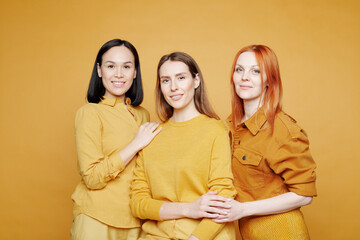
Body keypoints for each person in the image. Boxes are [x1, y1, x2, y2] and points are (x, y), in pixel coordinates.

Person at [210, 45, 317, 239]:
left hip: (282, 231)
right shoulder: (229, 127)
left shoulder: (283, 130)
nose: (244, 77)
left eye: (256, 71)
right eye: (239, 69)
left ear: (270, 80)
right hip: (249, 232)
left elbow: (304, 194)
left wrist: (242, 209)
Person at [130, 52, 237, 240]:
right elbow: (138, 203)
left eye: (181, 78)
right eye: (165, 80)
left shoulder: (216, 130)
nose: (173, 87)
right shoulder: (151, 136)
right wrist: (189, 208)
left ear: (196, 81)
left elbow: (223, 197)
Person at [70, 39, 161, 240]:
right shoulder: (89, 113)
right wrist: (136, 144)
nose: (119, 74)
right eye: (111, 66)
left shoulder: (143, 115)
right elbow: (92, 177)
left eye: (126, 66)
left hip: (137, 219)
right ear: (100, 70)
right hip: (96, 218)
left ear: (135, 72)